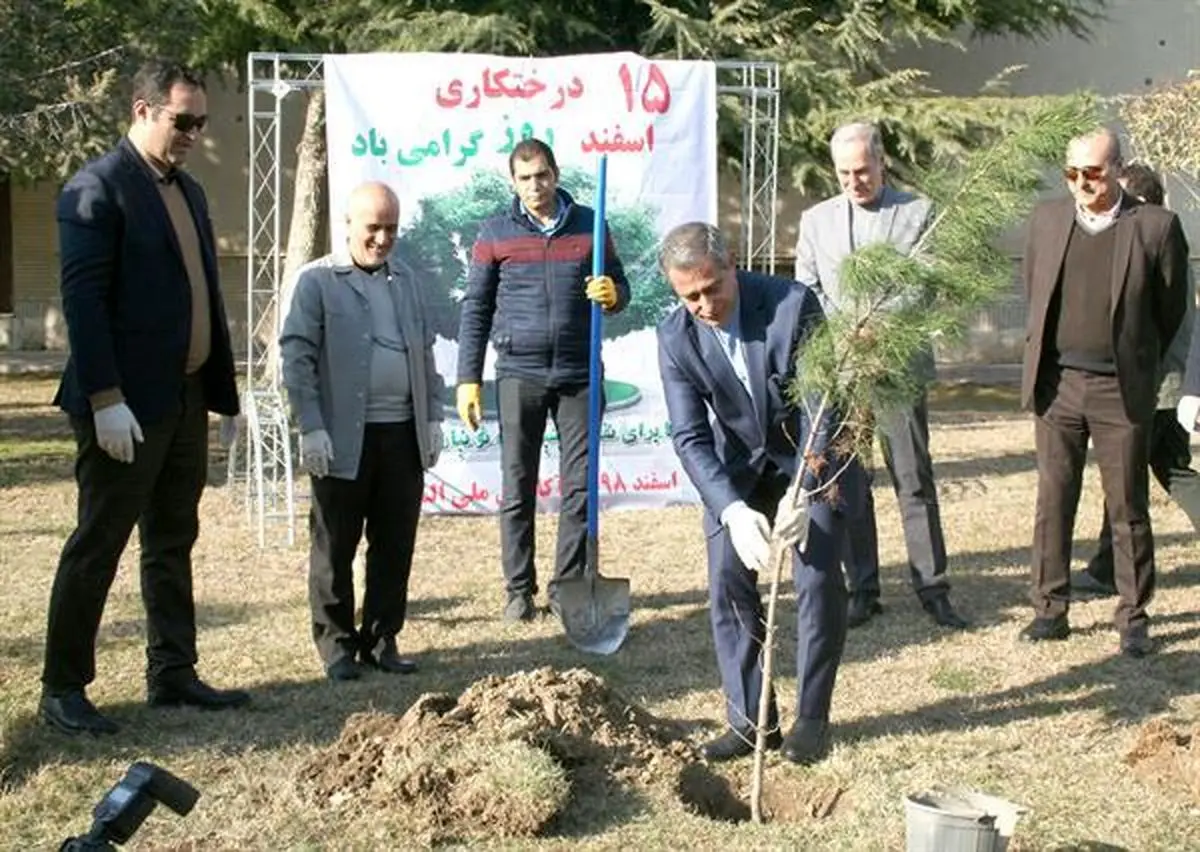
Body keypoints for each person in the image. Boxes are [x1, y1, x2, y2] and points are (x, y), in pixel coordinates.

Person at [40, 59, 248, 735]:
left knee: (172, 538)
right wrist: (104, 398)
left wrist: (218, 396)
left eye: (200, 123)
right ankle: (63, 687)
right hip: (123, 405)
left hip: (184, 399)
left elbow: (199, 297)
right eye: (181, 121)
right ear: (142, 111)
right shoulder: (96, 188)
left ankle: (173, 672)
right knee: (99, 542)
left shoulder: (186, 191)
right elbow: (83, 301)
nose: (191, 134)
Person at [657, 221, 864, 765]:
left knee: (817, 576)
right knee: (727, 577)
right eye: (689, 296)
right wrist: (730, 509)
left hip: (810, 457)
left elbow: (821, 406)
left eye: (711, 289)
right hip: (737, 471)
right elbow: (689, 436)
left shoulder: (793, 305)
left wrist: (804, 488)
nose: (703, 305)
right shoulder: (675, 338)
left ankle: (812, 720)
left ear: (733, 266)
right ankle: (751, 723)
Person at [1019, 127, 1189, 657]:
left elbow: (1171, 309)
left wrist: (1138, 365)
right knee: (1054, 499)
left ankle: (1133, 617)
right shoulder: (1048, 219)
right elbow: (1036, 291)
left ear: (1117, 169)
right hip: (1059, 386)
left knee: (1128, 506)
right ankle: (1050, 609)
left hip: (1121, 390)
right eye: (1071, 173)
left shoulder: (1156, 227)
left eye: (1091, 173)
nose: (1080, 184)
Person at [794, 121, 967, 630]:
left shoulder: (916, 213)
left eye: (863, 170)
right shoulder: (816, 221)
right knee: (849, 483)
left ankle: (932, 586)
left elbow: (925, 283)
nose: (855, 181)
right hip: (843, 371)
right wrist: (847, 331)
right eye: (845, 173)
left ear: (881, 161)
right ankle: (862, 587)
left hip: (897, 367)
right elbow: (808, 286)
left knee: (912, 478)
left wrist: (880, 329)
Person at [454, 138, 631, 622]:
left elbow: (623, 288)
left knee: (579, 488)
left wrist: (612, 293)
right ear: (513, 182)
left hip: (579, 374)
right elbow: (476, 308)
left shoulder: (591, 225)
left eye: (543, 175)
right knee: (518, 486)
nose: (536, 186)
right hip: (519, 373)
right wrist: (468, 376)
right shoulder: (494, 233)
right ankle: (518, 589)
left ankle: (567, 585)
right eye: (525, 178)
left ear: (556, 173)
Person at [280, 181, 443, 681]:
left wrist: (432, 415)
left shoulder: (409, 281)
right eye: (373, 227)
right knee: (336, 543)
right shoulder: (318, 283)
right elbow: (297, 357)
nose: (382, 238)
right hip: (342, 437)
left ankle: (381, 636)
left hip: (401, 435)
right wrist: (310, 426)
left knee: (395, 542)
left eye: (391, 228)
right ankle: (335, 645)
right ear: (348, 226)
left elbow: (425, 351)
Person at [1073, 162, 1200, 598]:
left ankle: (1108, 570)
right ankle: (1107, 567)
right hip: (1168, 385)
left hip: (1154, 387)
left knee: (1124, 480)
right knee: (1175, 472)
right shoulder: (1168, 241)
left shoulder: (1157, 245)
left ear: (1143, 203)